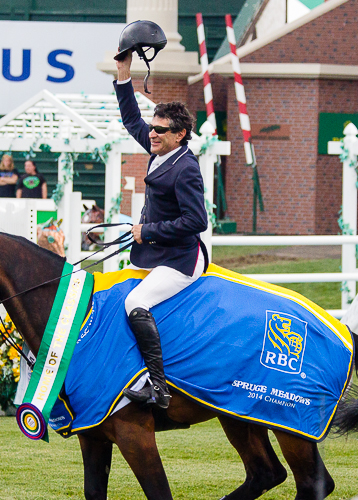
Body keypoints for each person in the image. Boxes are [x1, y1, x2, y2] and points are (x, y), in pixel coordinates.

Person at [114, 49, 209, 409]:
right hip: (155, 252)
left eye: (159, 129)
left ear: (180, 134)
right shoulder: (160, 150)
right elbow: (130, 119)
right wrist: (124, 75)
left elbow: (196, 222)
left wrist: (147, 231)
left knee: (136, 301)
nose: (151, 133)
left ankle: (159, 387)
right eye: (152, 127)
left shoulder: (186, 168)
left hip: (181, 260)